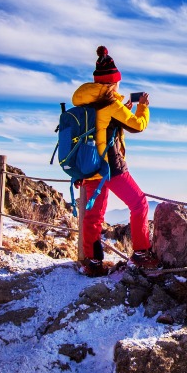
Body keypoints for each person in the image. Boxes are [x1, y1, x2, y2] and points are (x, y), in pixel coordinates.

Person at [72, 45, 160, 277]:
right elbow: (137, 126)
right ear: (113, 82)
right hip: (110, 166)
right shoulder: (112, 104)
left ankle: (92, 262)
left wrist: (123, 110)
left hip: (89, 165)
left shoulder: (86, 102)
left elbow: (103, 125)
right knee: (139, 203)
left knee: (94, 215)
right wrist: (142, 107)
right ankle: (141, 253)